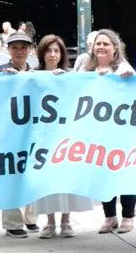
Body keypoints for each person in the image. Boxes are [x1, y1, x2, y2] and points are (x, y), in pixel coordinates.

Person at [32, 34, 91, 238]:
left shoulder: (69, 75)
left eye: (56, 50)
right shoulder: (33, 75)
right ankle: (49, 222)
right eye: (49, 50)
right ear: (42, 53)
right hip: (42, 136)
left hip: (65, 135)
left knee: (65, 178)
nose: (53, 54)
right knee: (46, 180)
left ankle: (66, 221)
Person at [83, 30, 136, 233]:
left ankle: (128, 217)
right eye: (98, 44)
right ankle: (109, 216)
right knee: (103, 175)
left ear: (115, 48)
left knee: (125, 176)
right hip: (98, 134)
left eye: (106, 44)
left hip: (122, 134)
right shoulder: (86, 72)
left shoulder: (122, 67)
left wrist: (127, 75)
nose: (101, 47)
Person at [0, 31, 39, 237]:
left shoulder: (36, 73)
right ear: (8, 50)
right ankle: (12, 222)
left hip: (30, 131)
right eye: (15, 47)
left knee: (31, 173)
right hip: (7, 133)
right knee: (11, 175)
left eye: (23, 47)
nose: (19, 51)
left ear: (30, 50)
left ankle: (31, 218)